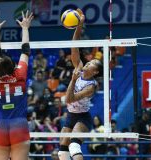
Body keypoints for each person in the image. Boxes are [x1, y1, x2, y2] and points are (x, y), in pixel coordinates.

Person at [0, 10, 33, 160]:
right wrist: (25, 28)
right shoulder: (20, 74)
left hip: (1, 126)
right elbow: (25, 50)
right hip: (18, 125)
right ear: (13, 66)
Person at [58, 9, 102, 160]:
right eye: (88, 62)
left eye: (91, 64)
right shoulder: (79, 68)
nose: (88, 64)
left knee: (73, 145)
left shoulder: (92, 86)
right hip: (71, 115)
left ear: (95, 72)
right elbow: (74, 45)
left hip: (83, 117)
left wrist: (73, 80)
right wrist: (79, 24)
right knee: (62, 151)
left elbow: (69, 99)